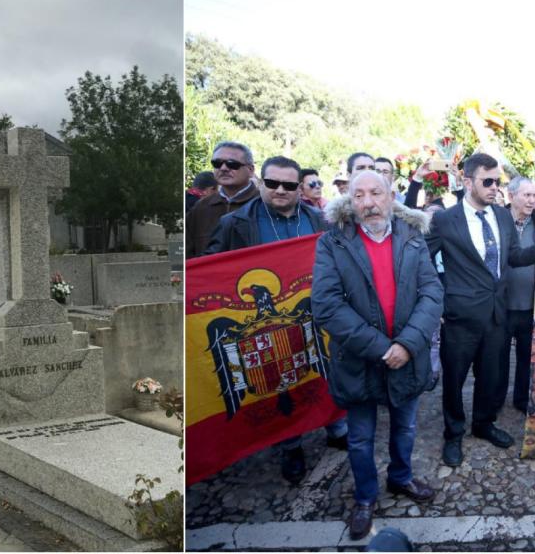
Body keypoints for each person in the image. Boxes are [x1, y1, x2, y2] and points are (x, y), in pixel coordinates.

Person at [312, 171, 442, 540]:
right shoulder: (332, 243)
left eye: (376, 193)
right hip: (359, 360)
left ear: (391, 196)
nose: (368, 203)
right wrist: (383, 348)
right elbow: (326, 305)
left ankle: (400, 478)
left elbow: (432, 294)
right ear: (348, 201)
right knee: (359, 437)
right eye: (359, 195)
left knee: (405, 427)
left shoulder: (412, 239)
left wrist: (407, 344)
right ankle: (365, 497)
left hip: (408, 357)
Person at [203, 155, 348, 483]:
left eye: (288, 185)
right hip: (269, 323)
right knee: (282, 380)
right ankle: (290, 444)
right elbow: (212, 269)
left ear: (299, 187)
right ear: (260, 182)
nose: (280, 190)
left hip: (316, 313)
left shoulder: (319, 218)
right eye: (272, 183)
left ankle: (336, 427)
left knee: (326, 370)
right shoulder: (234, 224)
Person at [426, 153, 535, 467]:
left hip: (496, 315)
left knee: (491, 375)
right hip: (460, 317)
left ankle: (484, 423)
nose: (494, 188)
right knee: (455, 379)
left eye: (497, 182)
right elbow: (424, 262)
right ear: (467, 182)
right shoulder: (444, 220)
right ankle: (453, 432)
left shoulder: (501, 216)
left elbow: (513, 256)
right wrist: (443, 297)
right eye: (487, 182)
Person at [500, 177, 535, 414]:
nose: (533, 200)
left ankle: (522, 399)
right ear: (511, 196)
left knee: (526, 356)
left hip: (531, 304)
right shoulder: (497, 222)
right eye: (527, 195)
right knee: (498, 357)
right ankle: (494, 400)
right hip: (501, 304)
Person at [186, 141, 259, 258]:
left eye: (232, 164)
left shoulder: (264, 205)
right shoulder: (201, 208)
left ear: (250, 170)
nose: (224, 168)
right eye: (217, 163)